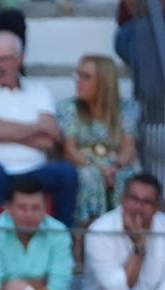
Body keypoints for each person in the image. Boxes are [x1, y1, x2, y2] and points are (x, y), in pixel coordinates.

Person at [0, 30, 78, 225]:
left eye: (5, 59)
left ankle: (63, 239)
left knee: (67, 173)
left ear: (20, 58)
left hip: (35, 170)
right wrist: (38, 126)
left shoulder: (39, 90)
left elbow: (50, 139)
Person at [81, 174, 165, 290]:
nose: (138, 208)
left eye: (147, 202)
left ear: (158, 207)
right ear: (122, 199)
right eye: (133, 199)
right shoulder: (100, 230)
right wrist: (139, 248)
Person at [59, 54, 141, 226]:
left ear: (104, 81)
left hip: (116, 163)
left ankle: (126, 232)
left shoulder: (127, 108)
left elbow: (128, 147)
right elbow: (70, 149)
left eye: (86, 77)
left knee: (126, 178)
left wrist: (114, 167)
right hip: (83, 163)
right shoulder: (68, 107)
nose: (79, 81)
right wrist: (98, 167)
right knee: (90, 177)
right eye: (78, 75)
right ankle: (86, 235)